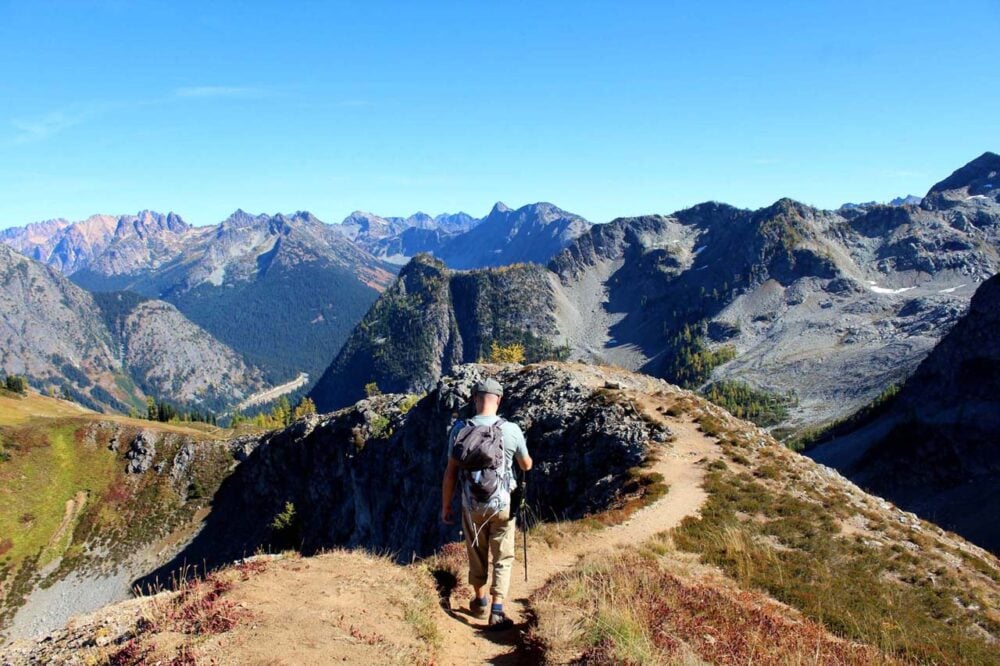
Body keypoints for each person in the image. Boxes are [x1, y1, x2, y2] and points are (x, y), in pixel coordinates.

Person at [441, 378, 532, 630]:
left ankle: (479, 601)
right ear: (498, 400)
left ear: (475, 399)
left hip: (471, 505)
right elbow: (526, 465)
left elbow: (450, 473)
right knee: (503, 555)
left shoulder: (460, 430)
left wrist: (446, 506)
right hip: (502, 503)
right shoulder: (510, 430)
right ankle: (498, 609)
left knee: (476, 551)